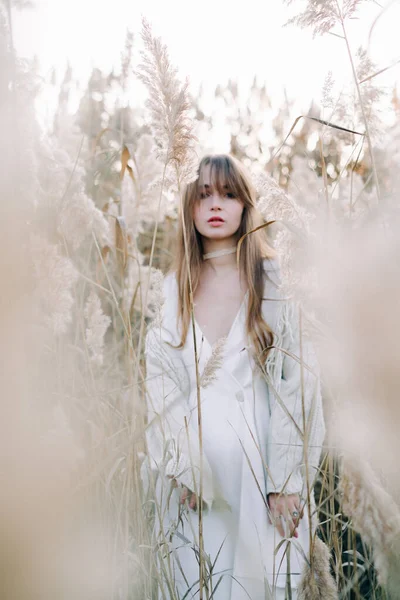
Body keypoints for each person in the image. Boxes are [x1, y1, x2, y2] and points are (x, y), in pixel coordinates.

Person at [142, 154, 326, 599]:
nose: (215, 204)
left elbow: (299, 382)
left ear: (246, 205)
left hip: (264, 475)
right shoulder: (172, 290)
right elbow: (161, 390)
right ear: (189, 208)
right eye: (203, 195)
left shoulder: (275, 282)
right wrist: (182, 466)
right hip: (195, 488)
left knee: (267, 584)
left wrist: (287, 481)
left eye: (227, 194)